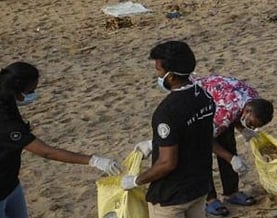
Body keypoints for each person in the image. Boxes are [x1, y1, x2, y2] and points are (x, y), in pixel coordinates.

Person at [0, 62, 121, 217]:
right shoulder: (6, 123)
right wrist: (93, 160)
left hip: (11, 183)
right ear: (18, 90)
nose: (33, 94)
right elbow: (47, 152)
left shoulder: (7, 97)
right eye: (31, 91)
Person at [121, 41, 216, 217]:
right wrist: (156, 142)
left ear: (171, 76)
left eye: (158, 70)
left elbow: (167, 163)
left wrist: (136, 181)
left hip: (172, 197)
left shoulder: (166, 112)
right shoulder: (205, 97)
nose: (157, 74)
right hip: (199, 188)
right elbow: (197, 134)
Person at [190, 75, 274, 216]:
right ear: (247, 111)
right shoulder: (227, 110)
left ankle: (231, 192)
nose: (251, 127)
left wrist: (244, 129)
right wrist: (231, 159)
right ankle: (209, 199)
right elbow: (204, 139)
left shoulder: (253, 98)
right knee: (201, 153)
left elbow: (237, 116)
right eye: (251, 124)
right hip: (196, 102)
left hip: (220, 100)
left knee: (228, 142)